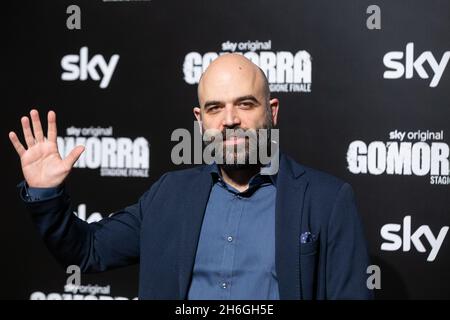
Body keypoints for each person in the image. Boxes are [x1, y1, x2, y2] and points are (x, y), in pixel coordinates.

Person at [9, 54, 373, 300]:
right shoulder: (170, 194)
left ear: (272, 111)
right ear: (200, 121)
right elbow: (88, 250)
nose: (230, 119)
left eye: (245, 104)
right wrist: (45, 194)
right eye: (215, 108)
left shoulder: (327, 201)